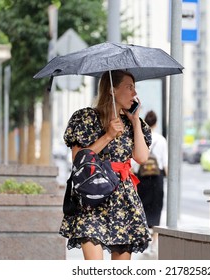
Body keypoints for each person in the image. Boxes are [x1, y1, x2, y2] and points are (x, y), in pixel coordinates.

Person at [59, 70, 152, 260]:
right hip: (93, 196)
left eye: (134, 88)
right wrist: (108, 135)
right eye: (129, 87)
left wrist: (134, 122)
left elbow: (142, 158)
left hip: (123, 197)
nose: (135, 94)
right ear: (112, 90)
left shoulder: (135, 124)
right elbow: (78, 160)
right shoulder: (86, 118)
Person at [136, 110, 168, 253]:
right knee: (156, 208)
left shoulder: (140, 138)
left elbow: (135, 162)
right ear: (155, 123)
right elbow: (165, 162)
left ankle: (145, 241)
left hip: (142, 177)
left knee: (142, 208)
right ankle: (154, 243)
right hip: (157, 177)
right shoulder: (161, 139)